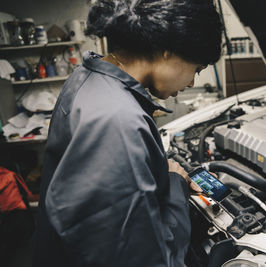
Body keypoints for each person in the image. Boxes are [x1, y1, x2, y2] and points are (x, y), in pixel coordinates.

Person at [32, 0, 222, 266]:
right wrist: (175, 184)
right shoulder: (118, 121)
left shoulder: (86, 76)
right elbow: (146, 258)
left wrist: (157, 170)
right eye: (196, 69)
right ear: (167, 51)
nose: (192, 82)